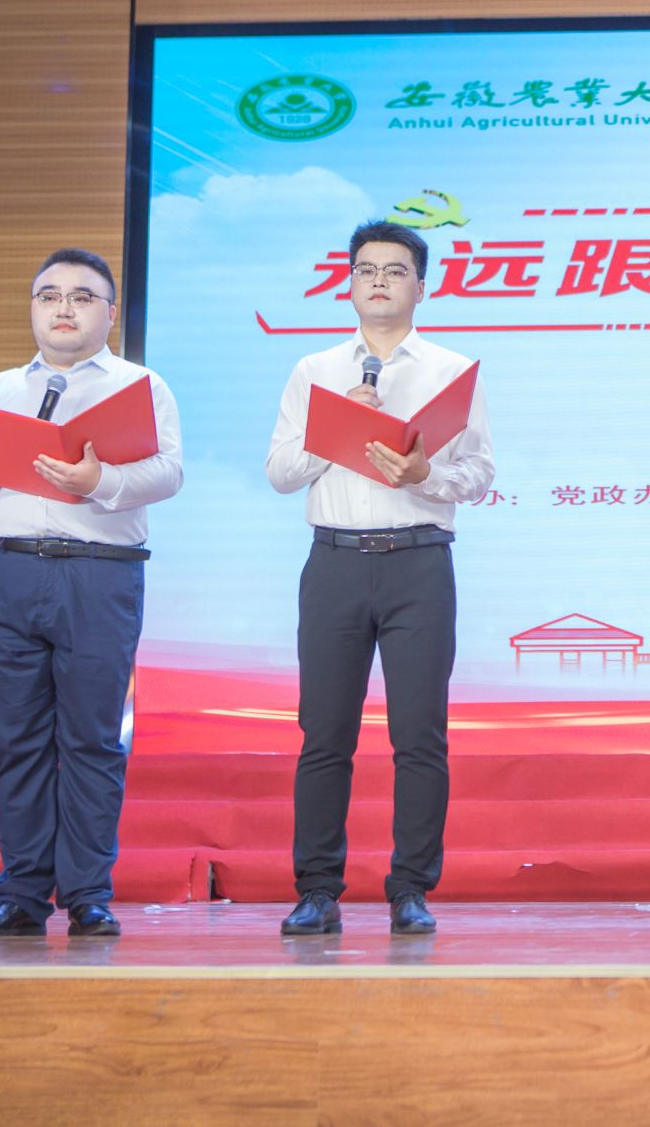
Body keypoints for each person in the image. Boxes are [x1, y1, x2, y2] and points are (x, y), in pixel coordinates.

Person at [0, 248, 184, 938]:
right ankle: (20, 894)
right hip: (13, 571)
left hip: (100, 573)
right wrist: (8, 455)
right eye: (48, 295)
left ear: (110, 313)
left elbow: (168, 472)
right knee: (17, 739)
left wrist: (98, 482)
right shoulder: (0, 388)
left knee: (91, 739)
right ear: (34, 309)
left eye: (80, 296)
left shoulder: (140, 385)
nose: (63, 308)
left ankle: (88, 894)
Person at [265, 221, 493, 937]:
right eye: (366, 270)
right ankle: (317, 890)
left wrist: (426, 474)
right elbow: (279, 473)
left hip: (419, 561)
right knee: (324, 733)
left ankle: (411, 888)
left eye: (395, 271)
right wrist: (331, 433)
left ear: (421, 286)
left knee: (420, 735)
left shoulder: (452, 370)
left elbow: (480, 473)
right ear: (349, 284)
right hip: (333, 561)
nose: (379, 282)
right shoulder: (314, 370)